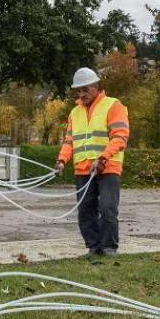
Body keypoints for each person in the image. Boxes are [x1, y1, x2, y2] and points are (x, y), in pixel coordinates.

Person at [54, 67, 129, 258]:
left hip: (108, 167)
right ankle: (94, 247)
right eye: (78, 90)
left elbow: (120, 137)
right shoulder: (74, 113)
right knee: (85, 211)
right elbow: (69, 141)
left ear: (96, 86)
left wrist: (103, 157)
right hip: (82, 169)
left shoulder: (113, 106)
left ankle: (109, 247)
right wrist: (61, 160)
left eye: (85, 89)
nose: (81, 93)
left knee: (107, 208)